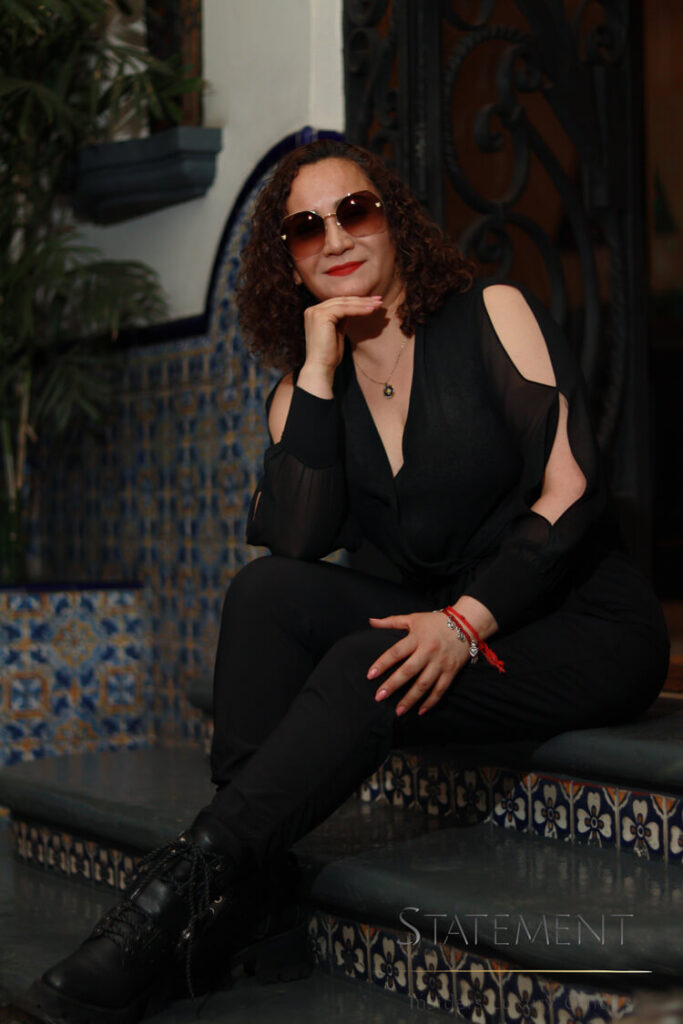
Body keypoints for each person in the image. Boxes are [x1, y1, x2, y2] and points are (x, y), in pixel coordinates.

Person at [26, 139, 670, 1023]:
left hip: (578, 624)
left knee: (358, 665)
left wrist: (464, 622)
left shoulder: (489, 312)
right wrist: (321, 367)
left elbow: (572, 488)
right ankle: (251, 893)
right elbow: (294, 541)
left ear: (393, 220)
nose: (334, 238)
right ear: (286, 260)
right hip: (443, 618)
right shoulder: (305, 390)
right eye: (305, 227)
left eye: (354, 211)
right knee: (263, 594)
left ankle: (168, 907)